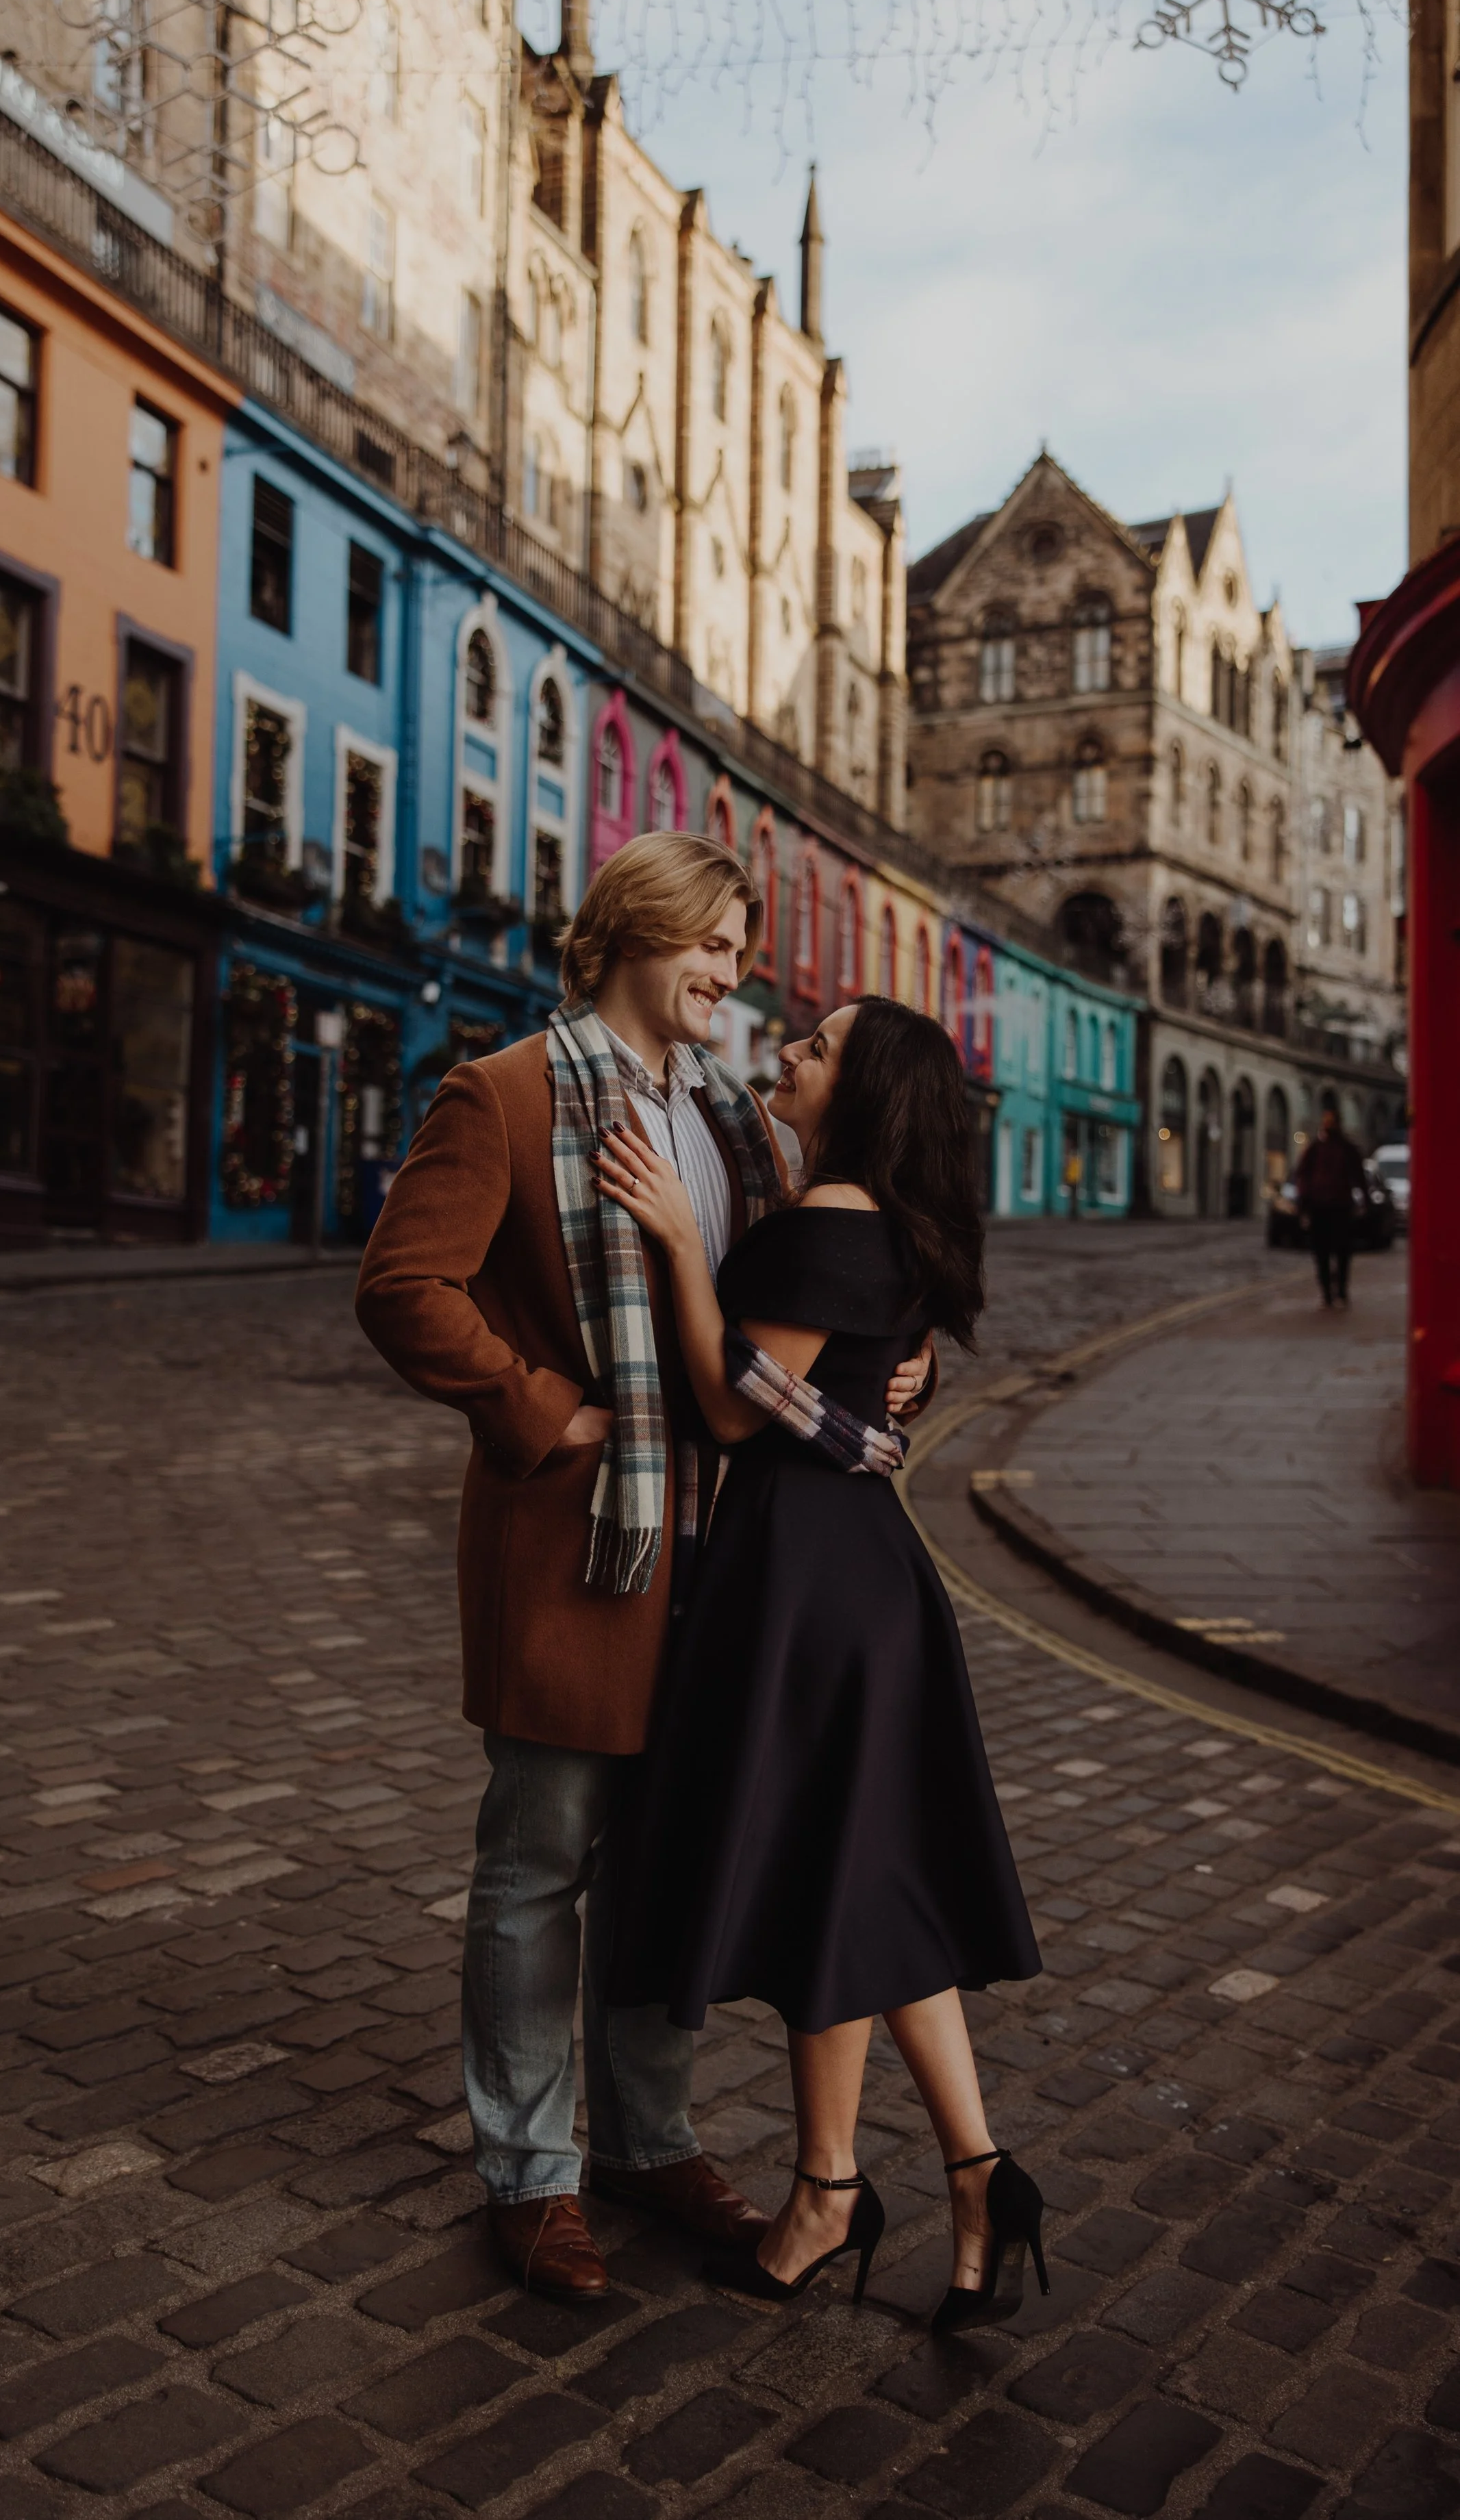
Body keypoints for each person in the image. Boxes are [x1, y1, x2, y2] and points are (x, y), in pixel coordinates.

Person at [355, 835, 934, 2302]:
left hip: (723, 1553)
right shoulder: (498, 1096)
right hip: (574, 1543)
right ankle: (531, 2170)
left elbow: (798, 1296)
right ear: (638, 928)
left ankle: (647, 2137)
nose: (736, 979)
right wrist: (545, 1412)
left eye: (740, 955)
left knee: (667, 1856)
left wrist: (891, 1360)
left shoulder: (741, 1128)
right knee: (542, 1861)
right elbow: (402, 1287)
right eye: (718, 948)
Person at [599, 995, 1045, 2330]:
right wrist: (866, 1412)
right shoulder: (884, 1223)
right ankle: (960, 2178)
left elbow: (734, 1410)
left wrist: (682, 1248)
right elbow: (856, 1386)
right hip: (863, 1575)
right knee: (859, 1887)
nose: (786, 1050)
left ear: (861, 1091)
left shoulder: (820, 1227)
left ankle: (830, 2195)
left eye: (816, 1044)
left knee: (823, 1883)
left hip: (803, 1583)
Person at [1295, 1106, 1365, 1308]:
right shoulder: (1315, 1149)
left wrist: (1364, 1200)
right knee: (1321, 1252)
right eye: (1326, 1121)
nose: (1328, 1125)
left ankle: (1341, 1288)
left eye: (1331, 1121)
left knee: (1343, 1251)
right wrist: (1304, 1203)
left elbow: (1359, 1176)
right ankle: (1327, 1291)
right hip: (1320, 1208)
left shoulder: (1347, 1148)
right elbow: (1303, 1176)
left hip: (1341, 1207)